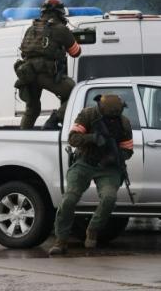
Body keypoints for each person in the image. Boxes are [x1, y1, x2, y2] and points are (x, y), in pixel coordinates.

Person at [49, 94, 134, 256]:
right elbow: (72, 138)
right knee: (69, 199)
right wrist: (93, 138)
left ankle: (93, 229)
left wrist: (114, 157)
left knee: (109, 198)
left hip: (108, 167)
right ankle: (61, 240)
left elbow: (128, 149)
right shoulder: (88, 115)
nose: (113, 118)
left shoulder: (124, 123)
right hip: (85, 161)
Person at [14, 0, 82, 129]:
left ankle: (22, 136)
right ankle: (54, 120)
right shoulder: (60, 29)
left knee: (32, 109)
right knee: (75, 93)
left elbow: (24, 53)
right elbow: (75, 52)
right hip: (46, 74)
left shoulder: (31, 29)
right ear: (59, 12)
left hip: (28, 74)